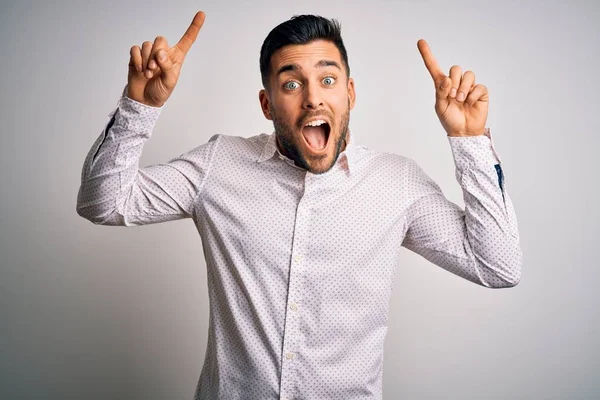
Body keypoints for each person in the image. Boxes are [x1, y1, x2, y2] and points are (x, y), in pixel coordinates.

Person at [76, 11, 522, 400]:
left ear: (350, 93)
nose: (313, 97)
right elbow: (103, 202)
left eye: (328, 80)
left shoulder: (396, 182)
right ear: (267, 104)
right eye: (292, 83)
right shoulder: (220, 164)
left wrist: (469, 141)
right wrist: (140, 106)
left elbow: (498, 266)